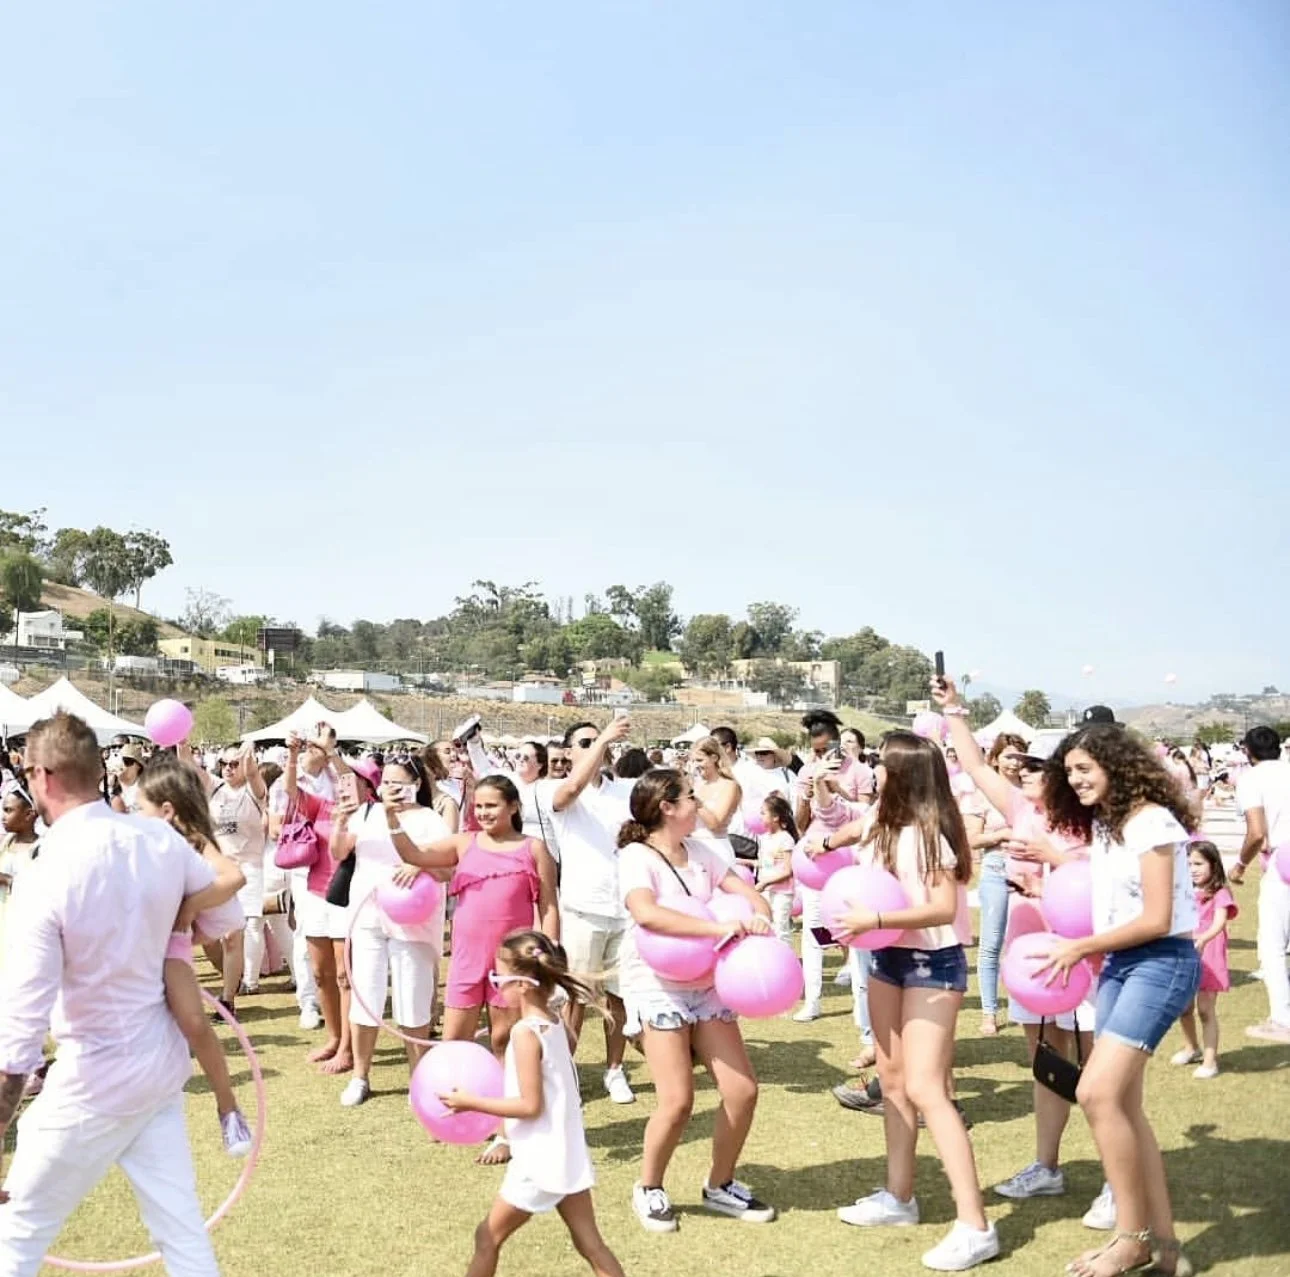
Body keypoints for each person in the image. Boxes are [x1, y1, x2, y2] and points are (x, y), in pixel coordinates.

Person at [0, 713, 223, 1275]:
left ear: (41, 776)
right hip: (155, 1069)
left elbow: (19, 1035)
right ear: (99, 769)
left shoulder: (45, 873)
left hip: (95, 1079)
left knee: (15, 1236)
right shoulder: (158, 840)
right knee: (182, 1232)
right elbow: (221, 914)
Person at [815, 732, 998, 1272]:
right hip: (886, 960)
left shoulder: (932, 833)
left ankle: (975, 1224)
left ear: (905, 774)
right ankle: (899, 1198)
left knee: (926, 1087)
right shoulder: (878, 823)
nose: (874, 771)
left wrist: (875, 921)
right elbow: (836, 832)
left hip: (931, 964)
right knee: (892, 1084)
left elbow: (943, 908)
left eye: (882, 766)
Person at [1038, 724, 1200, 1277]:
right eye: (1070, 772)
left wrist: (1081, 946)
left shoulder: (1152, 821)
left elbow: (1156, 919)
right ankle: (1169, 1251)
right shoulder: (1106, 823)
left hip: (1161, 963)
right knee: (1125, 1108)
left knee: (1096, 1093)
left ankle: (1129, 1239)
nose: (1075, 779)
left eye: (1085, 768)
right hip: (1119, 967)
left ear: (1116, 765)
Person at [617, 768, 777, 1233]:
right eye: (690, 797)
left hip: (707, 981)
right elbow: (646, 912)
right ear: (667, 807)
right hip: (657, 984)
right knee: (678, 1100)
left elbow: (751, 896)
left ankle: (720, 1184)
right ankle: (649, 1187)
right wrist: (717, 928)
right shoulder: (636, 856)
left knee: (742, 1089)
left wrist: (760, 916)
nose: (699, 804)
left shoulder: (704, 851)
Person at [440, 930, 626, 1277]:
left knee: (487, 1236)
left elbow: (530, 1106)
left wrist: (470, 1102)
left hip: (540, 1160)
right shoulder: (556, 1024)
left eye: (499, 978)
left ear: (523, 984)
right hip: (565, 1153)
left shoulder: (525, 1034)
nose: (495, 986)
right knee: (590, 1244)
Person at [136, 756, 254, 1156]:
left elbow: (235, 877)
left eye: (142, 807)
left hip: (171, 948)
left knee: (193, 1020)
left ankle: (229, 1108)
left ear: (167, 810)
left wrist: (190, 907)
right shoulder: (135, 843)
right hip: (135, 950)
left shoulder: (194, 843)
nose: (137, 814)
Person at [330, 754, 452, 1108]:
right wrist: (339, 822)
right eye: (386, 782)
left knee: (412, 999)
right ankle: (360, 1075)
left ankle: (420, 1079)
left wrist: (420, 866)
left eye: (399, 783)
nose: (390, 789)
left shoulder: (430, 820)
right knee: (365, 996)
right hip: (367, 915)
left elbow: (448, 869)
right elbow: (340, 851)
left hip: (412, 919)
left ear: (415, 785)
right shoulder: (366, 814)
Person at [550, 716, 636, 1105]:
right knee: (577, 996)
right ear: (568, 753)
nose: (595, 747)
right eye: (583, 743)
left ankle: (614, 1070)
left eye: (596, 741)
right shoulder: (558, 790)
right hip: (584, 908)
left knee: (618, 996)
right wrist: (602, 739)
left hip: (624, 908)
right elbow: (570, 789)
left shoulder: (625, 790)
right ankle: (566, 1074)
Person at [191, 740, 267, 1017]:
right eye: (223, 764)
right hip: (217, 871)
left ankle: (227, 1000)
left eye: (234, 764)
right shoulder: (215, 788)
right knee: (209, 938)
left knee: (233, 936)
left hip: (248, 871)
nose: (228, 769)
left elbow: (256, 779)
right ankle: (233, 978)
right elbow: (189, 765)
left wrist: (248, 759)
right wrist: (182, 743)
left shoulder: (253, 791)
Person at [1229, 725, 1290, 1043]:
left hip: (1283, 861)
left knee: (1272, 945)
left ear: (1247, 751)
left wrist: (1239, 865)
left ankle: (1282, 1018)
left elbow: (1256, 832)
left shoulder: (1252, 779)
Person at [1171, 840, 1235, 1078]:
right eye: (1188, 864)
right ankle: (1191, 1047)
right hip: (1186, 953)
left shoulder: (1220, 893)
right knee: (1183, 1007)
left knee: (1205, 1010)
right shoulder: (1182, 891)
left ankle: (1210, 1061)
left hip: (1209, 954)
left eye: (1198, 863)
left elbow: (1219, 922)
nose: (1193, 869)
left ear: (1213, 864)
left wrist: (1203, 939)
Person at [0, 786, 40, 978]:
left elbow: (37, 888)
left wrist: (6, 880)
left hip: (22, 930)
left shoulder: (40, 849)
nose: (3, 816)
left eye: (9, 810)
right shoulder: (6, 843)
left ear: (28, 814)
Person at [690, 735, 741, 869]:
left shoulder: (729, 786)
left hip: (716, 849)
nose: (696, 765)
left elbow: (716, 824)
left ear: (714, 758)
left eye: (700, 760)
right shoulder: (695, 785)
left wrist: (693, 799)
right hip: (691, 849)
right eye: (693, 761)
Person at [756, 794, 798, 942]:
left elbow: (787, 871)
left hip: (781, 893)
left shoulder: (785, 839)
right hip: (766, 891)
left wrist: (765, 882)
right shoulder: (764, 838)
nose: (760, 816)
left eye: (763, 812)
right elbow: (763, 864)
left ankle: (786, 959)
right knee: (765, 926)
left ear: (775, 817)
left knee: (780, 929)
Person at [110, 743, 146, 814]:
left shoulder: (144, 789)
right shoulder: (110, 788)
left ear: (138, 766)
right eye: (120, 760)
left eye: (127, 761)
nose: (122, 765)